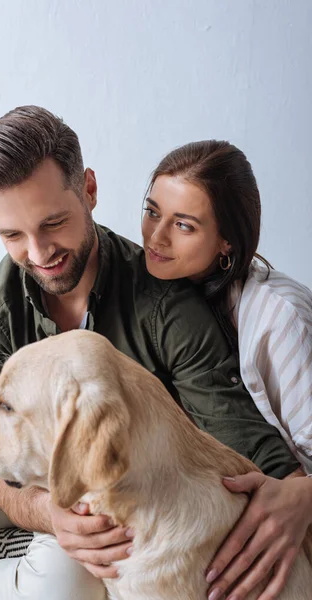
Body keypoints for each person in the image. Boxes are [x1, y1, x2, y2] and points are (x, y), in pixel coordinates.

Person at [0, 107, 307, 600]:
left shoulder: (169, 306)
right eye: (12, 235)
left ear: (90, 190)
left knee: (65, 581)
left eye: (53, 222)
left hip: (96, 517)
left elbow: (236, 436)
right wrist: (46, 513)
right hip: (9, 492)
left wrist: (301, 493)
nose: (38, 253)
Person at [142, 139, 312, 600]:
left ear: (226, 242)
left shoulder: (279, 319)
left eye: (183, 225)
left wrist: (305, 495)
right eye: (152, 210)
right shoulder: (167, 298)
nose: (156, 237)